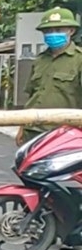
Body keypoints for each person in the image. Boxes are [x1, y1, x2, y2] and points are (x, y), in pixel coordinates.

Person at [19, 7, 82, 146]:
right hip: (33, 131)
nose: (53, 34)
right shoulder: (40, 60)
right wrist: (22, 127)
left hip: (65, 132)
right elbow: (32, 95)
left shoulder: (79, 60)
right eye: (48, 31)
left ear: (71, 31)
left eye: (59, 30)